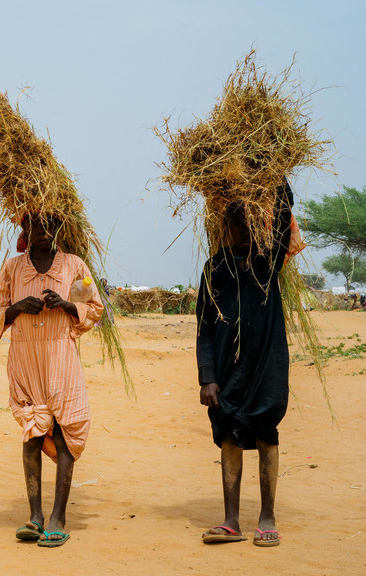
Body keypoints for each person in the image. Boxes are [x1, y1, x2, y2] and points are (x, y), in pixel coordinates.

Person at [0, 214, 103, 547]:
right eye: (36, 226)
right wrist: (18, 308)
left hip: (61, 358)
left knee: (66, 431)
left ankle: (59, 517)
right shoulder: (11, 268)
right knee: (33, 432)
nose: (43, 233)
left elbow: (94, 308)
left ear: (60, 229)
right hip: (25, 359)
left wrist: (67, 304)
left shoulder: (74, 266)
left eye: (50, 226)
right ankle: (35, 515)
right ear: (26, 230)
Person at [196, 180, 294, 547]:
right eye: (235, 221)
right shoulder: (214, 269)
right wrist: (207, 377)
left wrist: (275, 173)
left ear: (257, 222)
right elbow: (204, 326)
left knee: (266, 434)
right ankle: (231, 520)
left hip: (268, 366)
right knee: (229, 437)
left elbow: (283, 219)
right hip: (225, 369)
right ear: (225, 226)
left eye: (247, 220)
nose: (241, 228)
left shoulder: (267, 262)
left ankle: (267, 517)